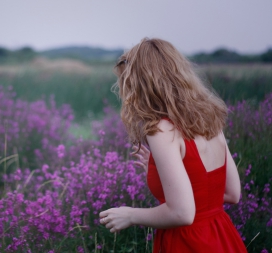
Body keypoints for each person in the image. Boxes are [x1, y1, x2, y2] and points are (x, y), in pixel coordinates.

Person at [99, 38, 247, 252]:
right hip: (221, 236)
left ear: (142, 84)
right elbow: (232, 193)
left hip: (189, 243)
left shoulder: (161, 129)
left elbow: (182, 213)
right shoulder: (208, 117)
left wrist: (130, 214)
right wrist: (163, 166)